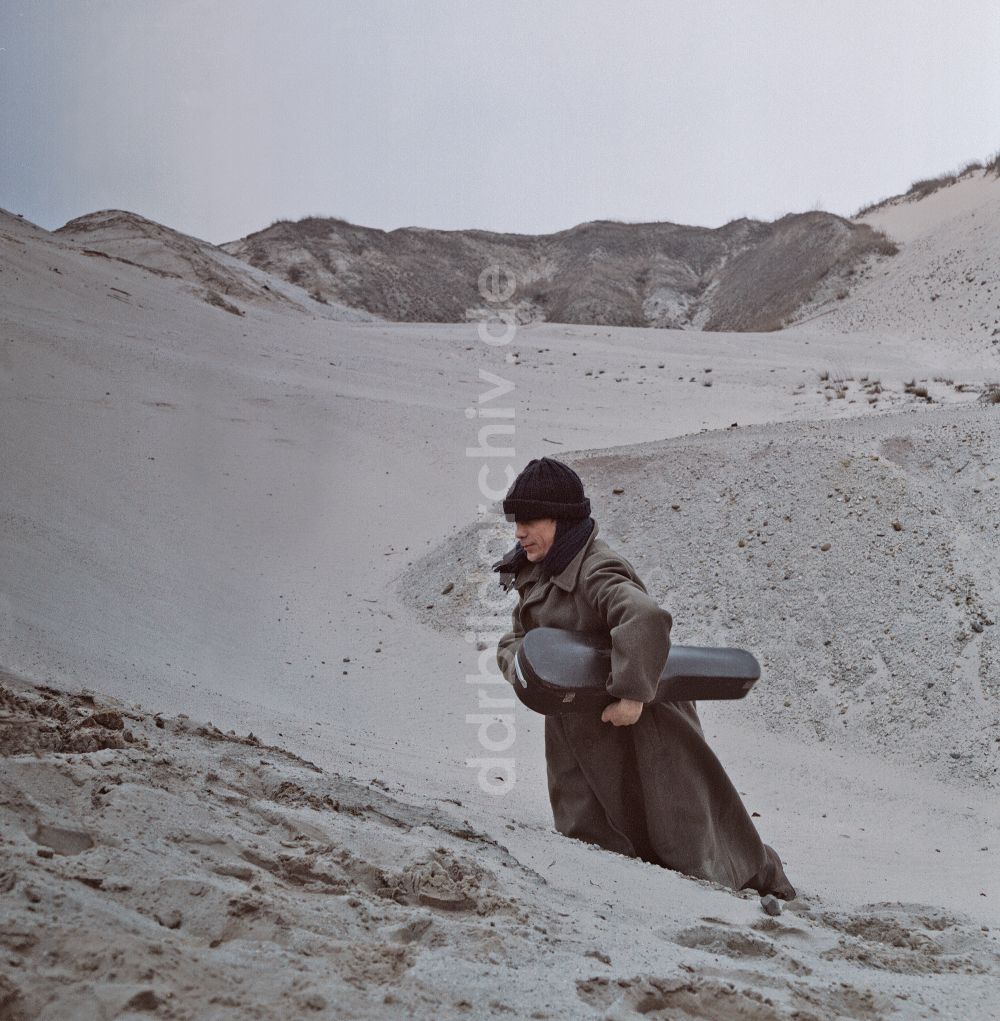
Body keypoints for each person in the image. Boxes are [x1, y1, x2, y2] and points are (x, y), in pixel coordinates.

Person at [494, 456, 795, 900]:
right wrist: (520, 665)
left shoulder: (595, 567)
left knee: (687, 836)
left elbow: (645, 617)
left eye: (531, 519)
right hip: (578, 721)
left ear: (562, 520)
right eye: (517, 520)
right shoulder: (536, 568)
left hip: (646, 719)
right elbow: (523, 639)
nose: (519, 531)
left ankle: (766, 877)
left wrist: (632, 695)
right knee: (587, 830)